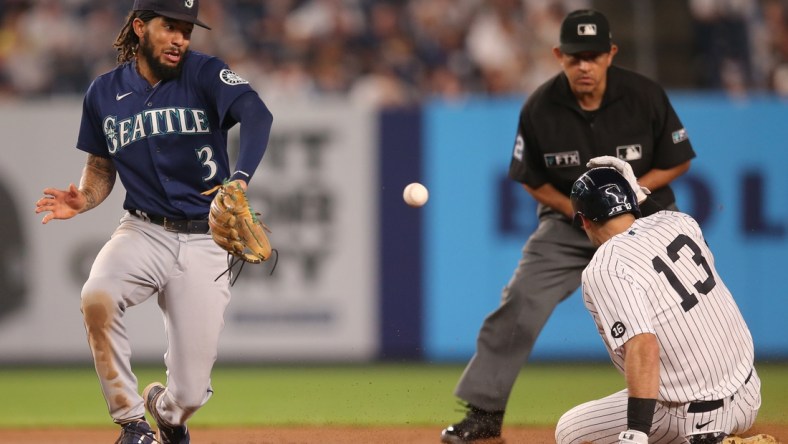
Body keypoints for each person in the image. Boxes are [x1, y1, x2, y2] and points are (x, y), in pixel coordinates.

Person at [441, 9, 696, 444]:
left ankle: (711, 403)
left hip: (645, 224)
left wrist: (629, 195)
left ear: (611, 54)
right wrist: (578, 212)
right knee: (520, 300)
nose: (585, 65)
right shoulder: (540, 107)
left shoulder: (644, 95)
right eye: (576, 56)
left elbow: (678, 160)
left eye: (594, 56)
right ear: (559, 55)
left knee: (692, 305)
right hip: (569, 227)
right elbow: (532, 179)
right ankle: (484, 414)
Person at [34, 1, 273, 443]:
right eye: (171, 27)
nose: (181, 38)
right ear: (141, 27)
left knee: (189, 397)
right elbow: (102, 167)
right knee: (97, 296)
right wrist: (84, 197)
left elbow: (258, 114)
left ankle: (164, 412)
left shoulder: (205, 73)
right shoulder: (103, 92)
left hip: (206, 239)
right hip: (143, 230)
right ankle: (131, 423)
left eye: (187, 30)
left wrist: (239, 178)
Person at [556, 166, 767, 444]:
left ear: (584, 220)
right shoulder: (680, 222)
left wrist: (637, 432)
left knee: (570, 433)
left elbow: (643, 345)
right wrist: (640, 196)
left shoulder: (605, 267)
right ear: (632, 201)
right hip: (750, 395)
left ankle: (708, 440)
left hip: (692, 418)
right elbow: (656, 220)